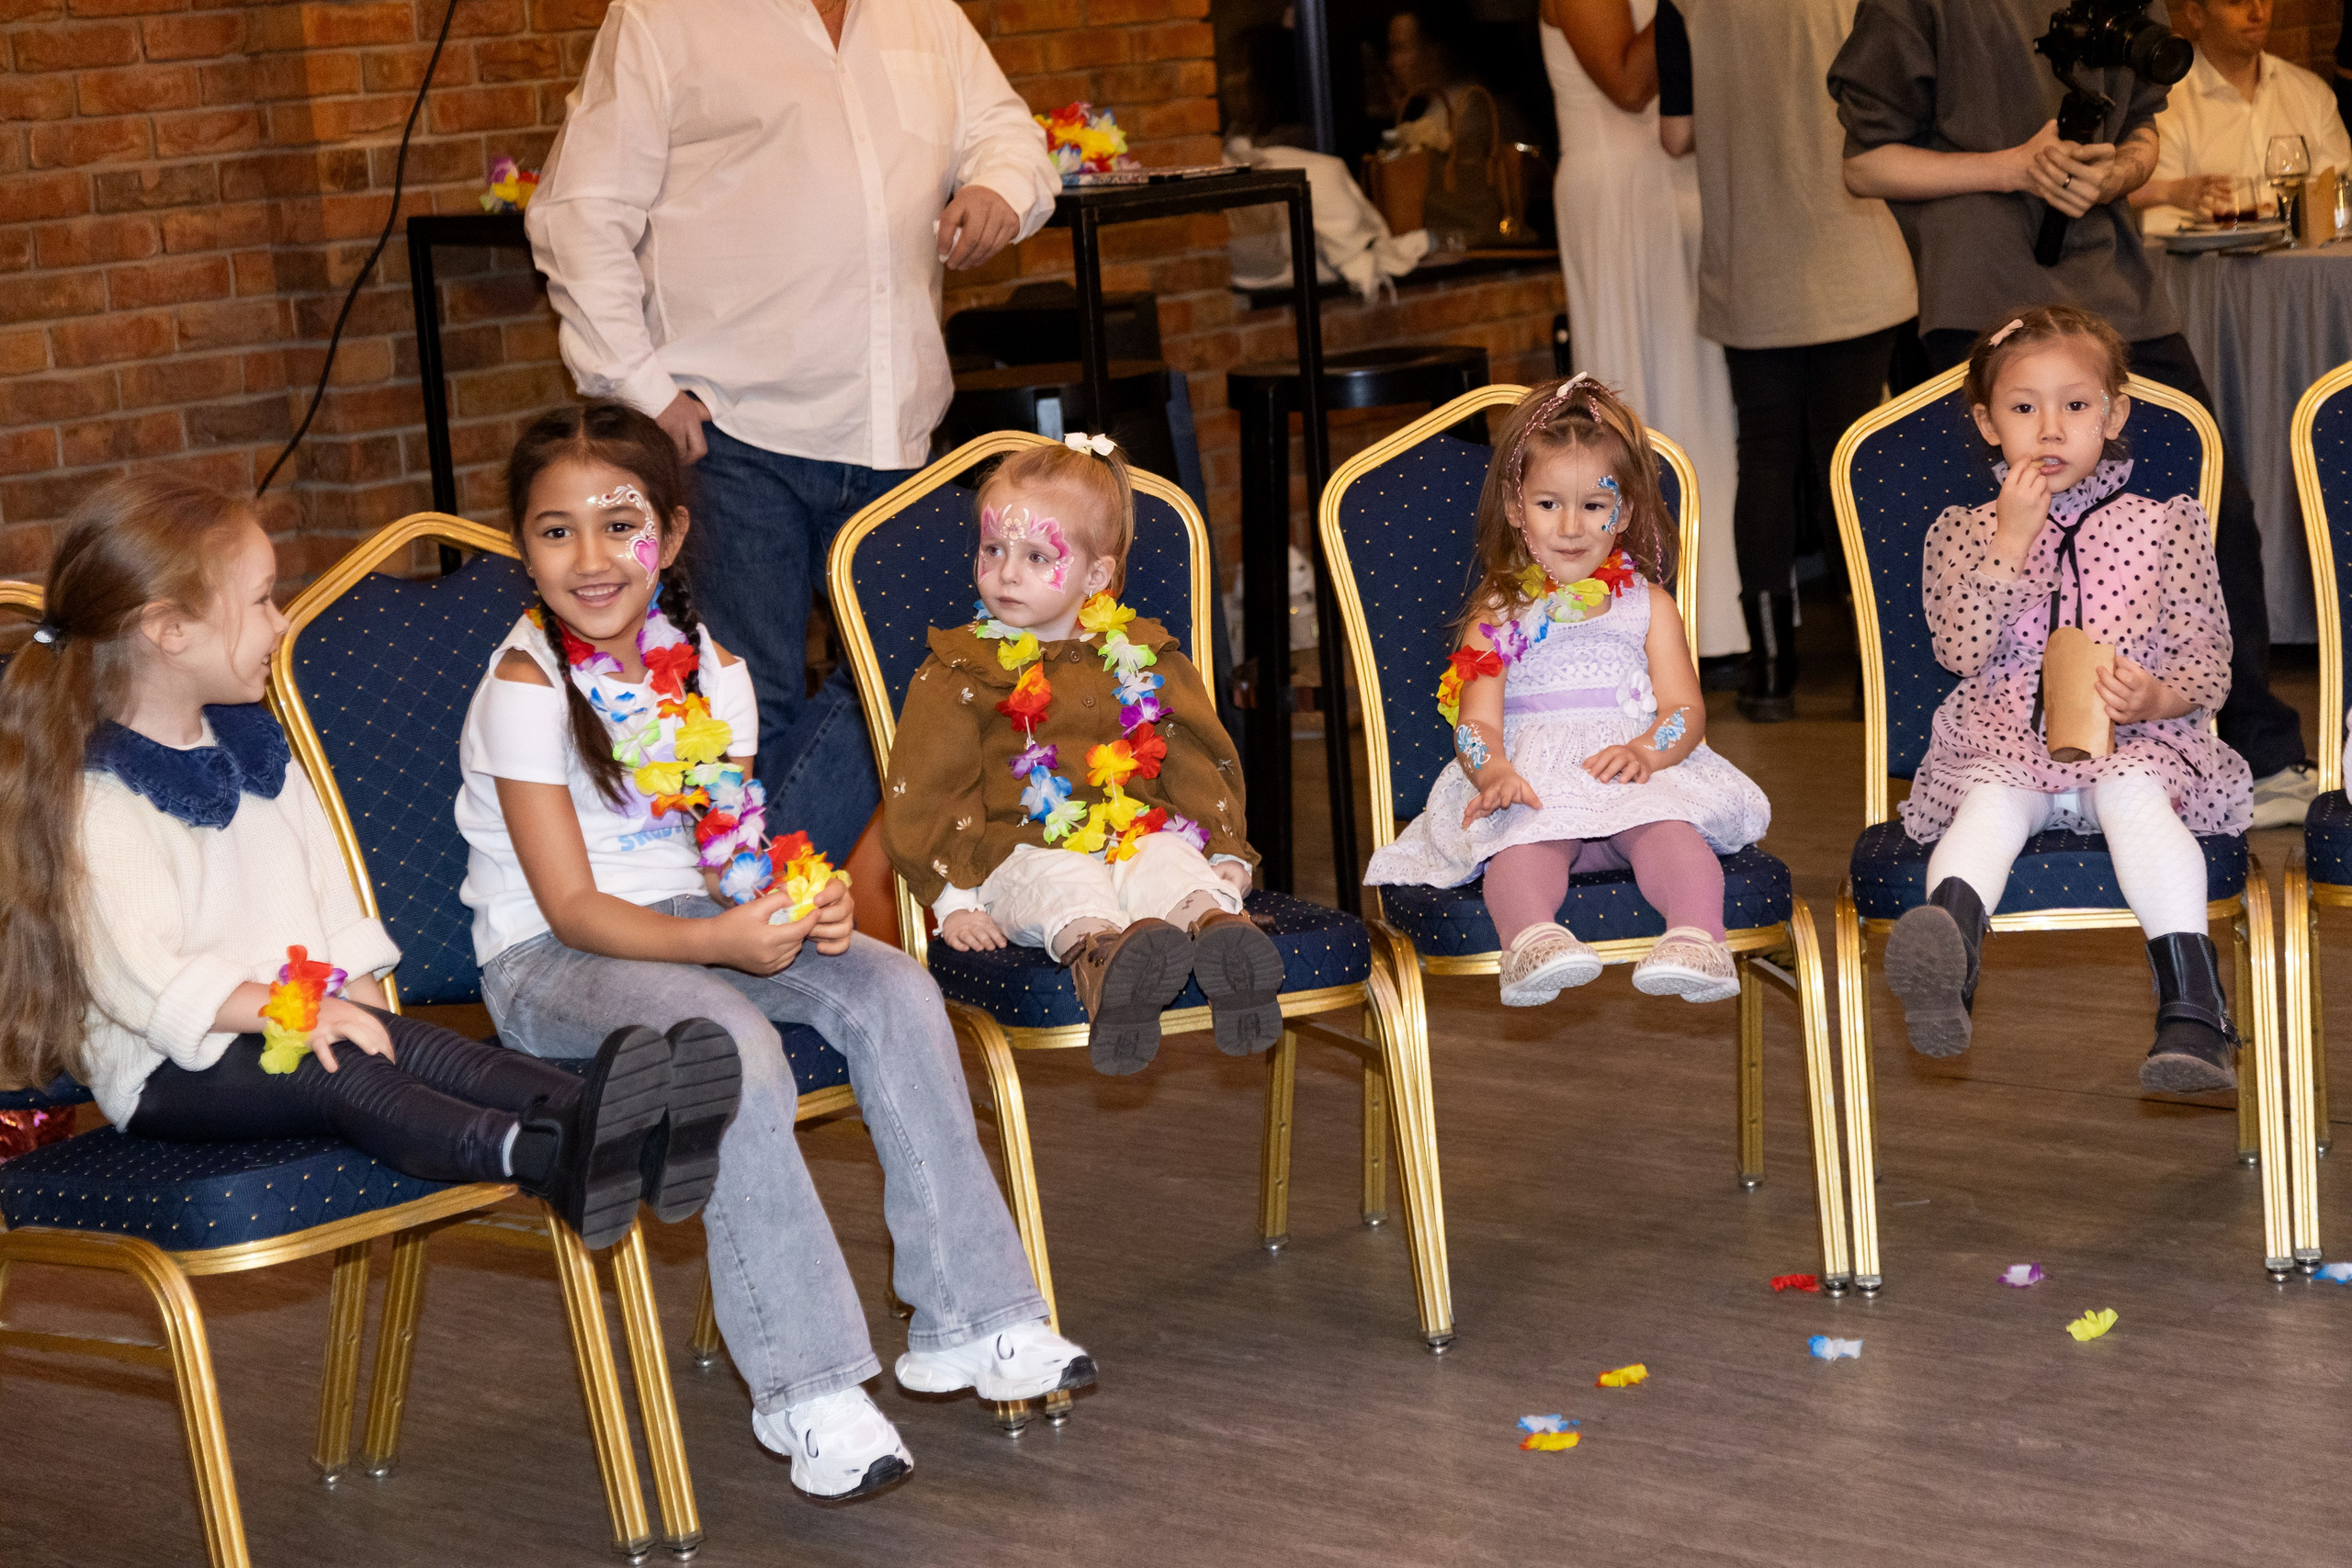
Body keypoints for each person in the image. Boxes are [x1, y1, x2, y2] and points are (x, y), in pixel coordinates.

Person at [457, 403, 1093, 1504]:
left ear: (673, 529)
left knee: (894, 984)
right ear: (523, 547)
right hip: (553, 965)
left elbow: (728, 848)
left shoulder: (710, 667)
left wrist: (806, 906)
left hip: (695, 932)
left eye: (621, 525)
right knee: (731, 1040)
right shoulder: (526, 687)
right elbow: (566, 905)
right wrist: (719, 941)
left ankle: (971, 1319)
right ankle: (808, 1392)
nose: (593, 558)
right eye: (555, 531)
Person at [0, 475, 733, 1254]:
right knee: (348, 1076)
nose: (282, 623)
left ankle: (624, 1120)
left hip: (295, 1019)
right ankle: (535, 1155)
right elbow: (143, 981)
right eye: (260, 602)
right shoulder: (102, 800)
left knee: (421, 1047)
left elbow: (330, 896)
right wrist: (313, 1013)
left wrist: (357, 998)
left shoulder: (254, 747)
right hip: (172, 1070)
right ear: (169, 629)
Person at [526, 0, 1063, 864]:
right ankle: (766, 941)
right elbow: (578, 212)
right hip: (733, 434)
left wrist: (1002, 183)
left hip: (896, 431)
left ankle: (762, 909)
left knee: (923, 685)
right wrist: (642, 388)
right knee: (752, 701)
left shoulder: (924, 13)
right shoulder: (663, 17)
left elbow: (1010, 132)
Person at [1832, 0, 2317, 827]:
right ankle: (1987, 768)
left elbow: (2145, 130)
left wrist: (2122, 172)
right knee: (2002, 539)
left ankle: (2255, 753)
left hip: (2120, 301)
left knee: (2215, 514)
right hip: (1983, 301)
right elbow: (1865, 166)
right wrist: (2012, 167)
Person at [1883, 308, 2250, 1092]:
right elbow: (1959, 649)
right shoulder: (1963, 532)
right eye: (2023, 408)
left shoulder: (2162, 526)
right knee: (1988, 808)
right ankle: (1949, 967)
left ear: (2114, 413)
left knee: (2135, 801)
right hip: (2004, 746)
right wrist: (2009, 543)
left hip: (2132, 746)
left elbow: (2208, 662)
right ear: (1988, 424)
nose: (2049, 428)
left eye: (2075, 405)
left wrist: (2155, 695)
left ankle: (2192, 1008)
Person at [1363, 377, 1772, 1009]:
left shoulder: (1648, 605)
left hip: (1630, 775)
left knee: (1673, 836)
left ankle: (1696, 937)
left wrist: (1650, 752)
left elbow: (1686, 709)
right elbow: (1475, 723)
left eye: (1594, 504)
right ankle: (1533, 941)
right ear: (1518, 509)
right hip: (1538, 780)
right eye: (1550, 503)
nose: (1572, 525)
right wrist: (1493, 769)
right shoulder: (1498, 612)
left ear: (1625, 512)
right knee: (1522, 844)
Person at [882, 437, 1283, 1077]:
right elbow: (932, 784)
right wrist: (955, 901)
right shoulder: (962, 669)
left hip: (1129, 836)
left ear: (1097, 576)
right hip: (1018, 856)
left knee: (1167, 859)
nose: (1007, 572)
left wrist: (1224, 849)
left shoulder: (1143, 654)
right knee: (1063, 881)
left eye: (1037, 555)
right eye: (992, 549)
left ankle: (1219, 941)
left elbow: (1191, 755)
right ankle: (1107, 966)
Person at [1660, 0, 1918, 722]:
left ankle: (1772, 671)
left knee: (1766, 459)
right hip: (1853, 254)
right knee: (1852, 462)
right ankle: (1875, 667)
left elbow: (1675, 133)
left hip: (1752, 260)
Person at [1540, 0, 1747, 673]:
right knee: (1646, 409)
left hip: (1681, 185)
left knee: (1705, 407)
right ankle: (1641, 620)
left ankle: (1717, 618)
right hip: (1620, 199)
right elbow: (1628, 84)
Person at [2134, 0, 2352, 234]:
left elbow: (2340, 199)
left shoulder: (2312, 94)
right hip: (2211, 267)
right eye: (2237, 2)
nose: (2259, 13)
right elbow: (2158, 221)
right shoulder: (2168, 102)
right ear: (2196, 15)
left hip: (2308, 265)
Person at [1385, 3, 1518, 247]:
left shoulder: (1469, 110)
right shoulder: (1436, 108)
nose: (1392, 62)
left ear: (1435, 53)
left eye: (1401, 49)